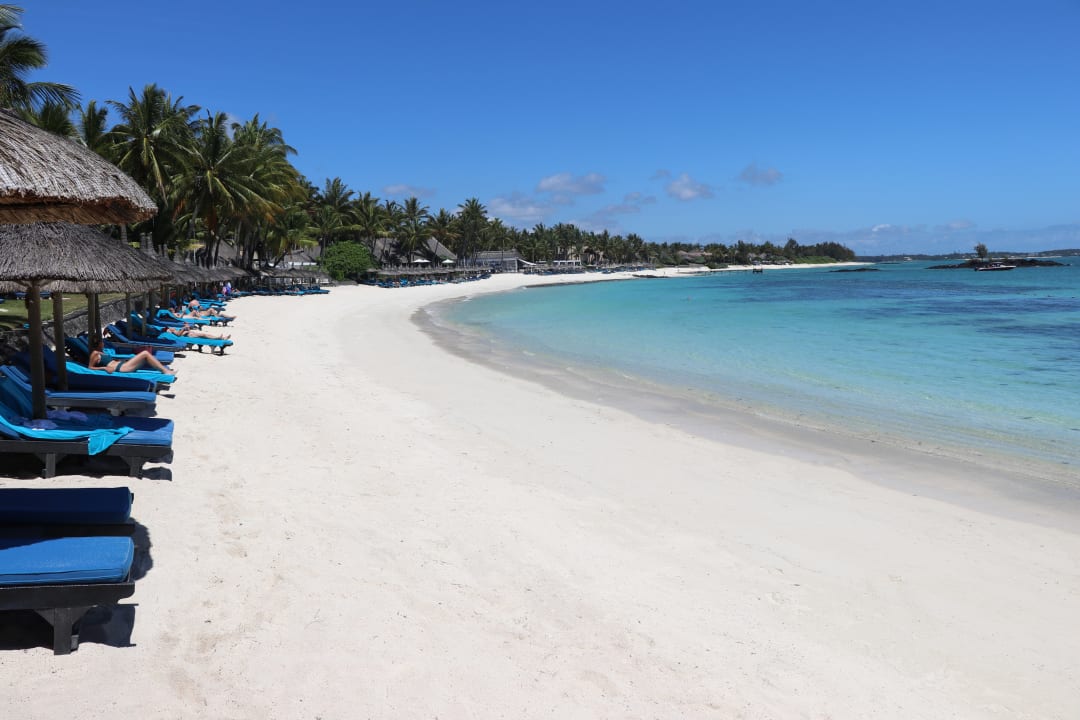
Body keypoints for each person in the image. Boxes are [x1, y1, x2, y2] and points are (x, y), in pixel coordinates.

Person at [88, 338, 176, 376]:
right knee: (145, 353)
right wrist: (104, 368)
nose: (103, 343)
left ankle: (164, 370)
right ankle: (165, 371)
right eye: (102, 342)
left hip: (122, 365)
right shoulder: (95, 353)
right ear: (99, 344)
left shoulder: (102, 351)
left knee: (146, 357)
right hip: (120, 368)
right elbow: (90, 367)